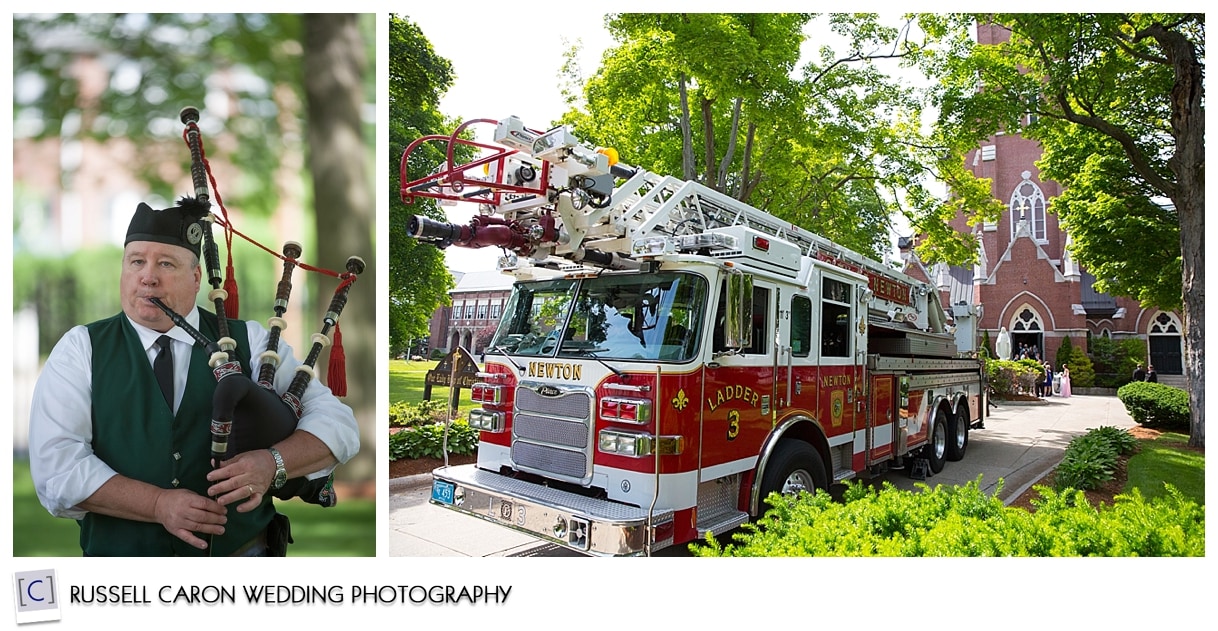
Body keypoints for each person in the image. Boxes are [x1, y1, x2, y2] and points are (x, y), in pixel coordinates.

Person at [28, 199, 360, 557]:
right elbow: (57, 469)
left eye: (166, 263)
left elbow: (338, 423)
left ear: (197, 277)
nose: (148, 276)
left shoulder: (251, 341)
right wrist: (157, 504)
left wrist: (272, 463)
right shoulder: (82, 349)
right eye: (136, 261)